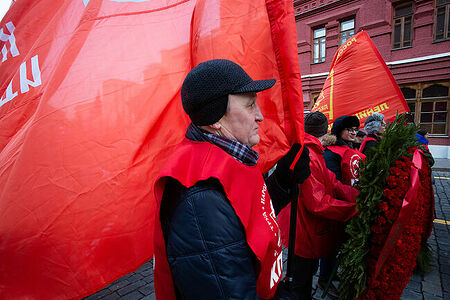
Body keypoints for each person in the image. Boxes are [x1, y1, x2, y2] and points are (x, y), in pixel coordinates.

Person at [153, 59, 311, 300]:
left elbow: (245, 216)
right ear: (214, 119)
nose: (259, 116)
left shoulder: (226, 158)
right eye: (249, 106)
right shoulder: (200, 200)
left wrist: (282, 181)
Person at [277, 111, 359, 300]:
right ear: (325, 131)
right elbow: (318, 203)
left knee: (306, 273)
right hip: (303, 231)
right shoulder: (309, 154)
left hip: (306, 229)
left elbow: (332, 182)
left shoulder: (313, 150)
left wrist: (358, 197)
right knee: (301, 280)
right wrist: (354, 209)